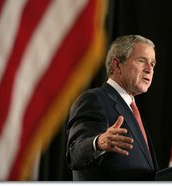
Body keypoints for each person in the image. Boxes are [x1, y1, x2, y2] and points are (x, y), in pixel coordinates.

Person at [66, 35, 159, 181]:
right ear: (117, 65)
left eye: (152, 64)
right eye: (141, 61)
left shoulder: (132, 109)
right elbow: (74, 154)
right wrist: (97, 143)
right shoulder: (94, 100)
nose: (149, 69)